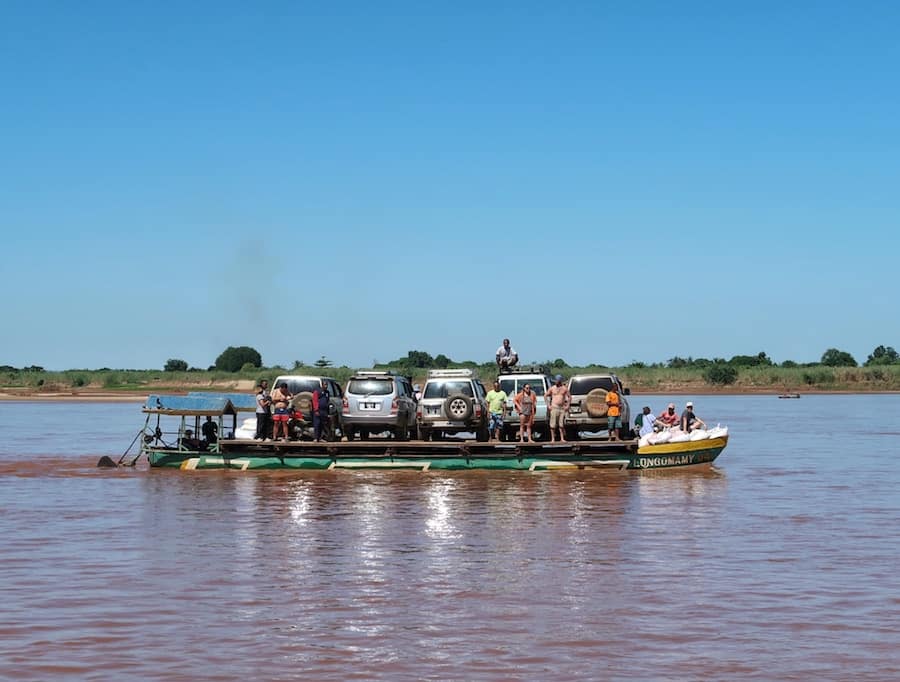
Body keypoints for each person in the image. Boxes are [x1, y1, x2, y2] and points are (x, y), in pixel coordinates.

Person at [546, 374, 570, 443]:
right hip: (554, 407)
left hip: (561, 408)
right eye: (555, 380)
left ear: (560, 381)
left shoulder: (564, 388)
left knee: (561, 424)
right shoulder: (552, 388)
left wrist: (567, 405)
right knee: (553, 425)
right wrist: (548, 405)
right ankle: (553, 439)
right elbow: (545, 395)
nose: (556, 382)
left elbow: (569, 397)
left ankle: (562, 438)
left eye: (557, 380)